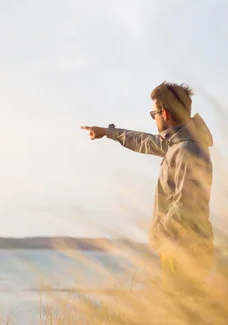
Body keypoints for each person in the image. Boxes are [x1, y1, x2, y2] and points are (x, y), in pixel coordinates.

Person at [81, 81, 214, 290]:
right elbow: (144, 141)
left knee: (177, 316)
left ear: (165, 114)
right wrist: (108, 132)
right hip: (178, 248)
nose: (154, 119)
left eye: (154, 114)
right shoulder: (178, 144)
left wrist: (157, 234)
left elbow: (185, 205)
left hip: (184, 251)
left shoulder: (188, 149)